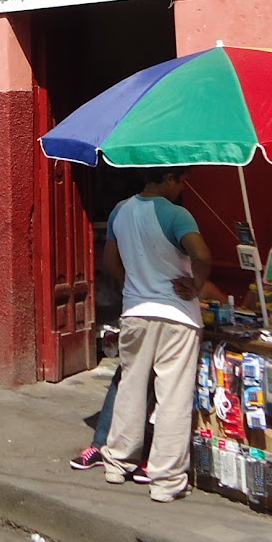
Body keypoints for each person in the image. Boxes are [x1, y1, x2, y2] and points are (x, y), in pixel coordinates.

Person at [98, 166, 212, 503]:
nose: (182, 188)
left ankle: (117, 462)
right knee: (173, 395)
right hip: (177, 315)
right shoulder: (176, 214)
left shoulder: (120, 211)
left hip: (136, 312)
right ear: (169, 179)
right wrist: (196, 285)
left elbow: (110, 264)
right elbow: (201, 254)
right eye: (181, 182)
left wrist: (134, 283)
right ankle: (166, 480)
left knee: (131, 387)